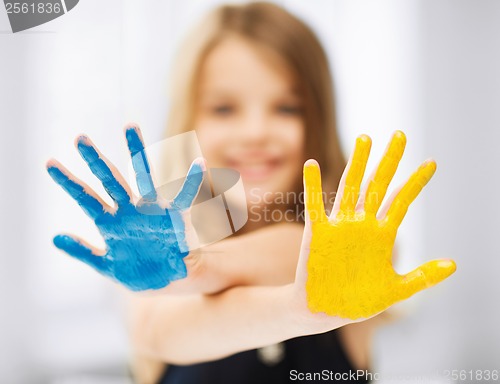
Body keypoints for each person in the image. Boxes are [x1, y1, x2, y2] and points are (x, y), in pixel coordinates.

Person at [46, 2, 456, 383]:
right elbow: (157, 332)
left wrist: (198, 267)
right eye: (224, 108)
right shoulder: (145, 250)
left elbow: (291, 251)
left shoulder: (354, 252)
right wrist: (291, 308)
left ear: (317, 123)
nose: (256, 132)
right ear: (188, 120)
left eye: (287, 108)